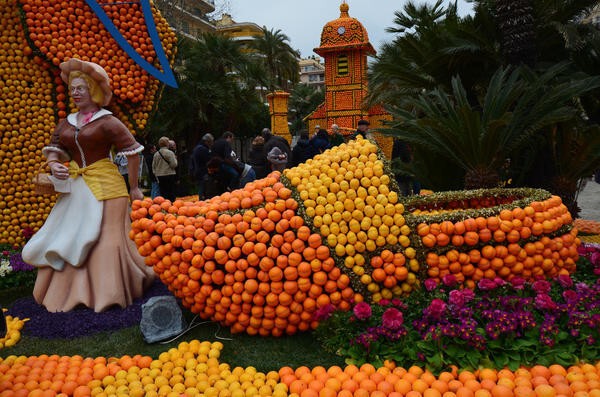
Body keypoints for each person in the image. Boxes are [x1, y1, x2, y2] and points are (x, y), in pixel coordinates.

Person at [21, 59, 154, 313]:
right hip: (75, 187)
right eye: (73, 89)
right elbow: (56, 149)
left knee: (106, 240)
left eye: (81, 88)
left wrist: (134, 187)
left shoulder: (108, 121)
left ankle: (110, 292)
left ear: (93, 90)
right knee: (68, 235)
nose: (76, 93)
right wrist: (54, 164)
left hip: (108, 187)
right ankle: (64, 295)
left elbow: (133, 152)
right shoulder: (68, 122)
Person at [152, 136, 178, 201]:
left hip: (160, 175)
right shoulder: (170, 153)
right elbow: (174, 164)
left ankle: (164, 206)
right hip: (169, 174)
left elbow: (153, 166)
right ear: (167, 143)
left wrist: (156, 174)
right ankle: (171, 206)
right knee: (171, 192)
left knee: (163, 193)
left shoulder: (156, 154)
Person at [190, 133, 213, 200]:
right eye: (210, 142)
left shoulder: (197, 148)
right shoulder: (202, 149)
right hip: (202, 172)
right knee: (203, 188)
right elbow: (207, 160)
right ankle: (202, 201)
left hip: (197, 171)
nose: (211, 144)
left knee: (201, 187)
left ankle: (202, 200)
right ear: (206, 141)